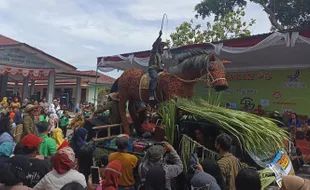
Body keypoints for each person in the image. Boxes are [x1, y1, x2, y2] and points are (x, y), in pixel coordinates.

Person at [148, 30, 166, 100]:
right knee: (155, 77)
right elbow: (155, 45)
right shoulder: (154, 51)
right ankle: (151, 94)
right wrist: (159, 36)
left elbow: (161, 65)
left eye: (163, 47)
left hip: (159, 69)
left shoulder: (161, 56)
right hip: (152, 69)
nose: (163, 48)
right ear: (158, 47)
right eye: (161, 46)